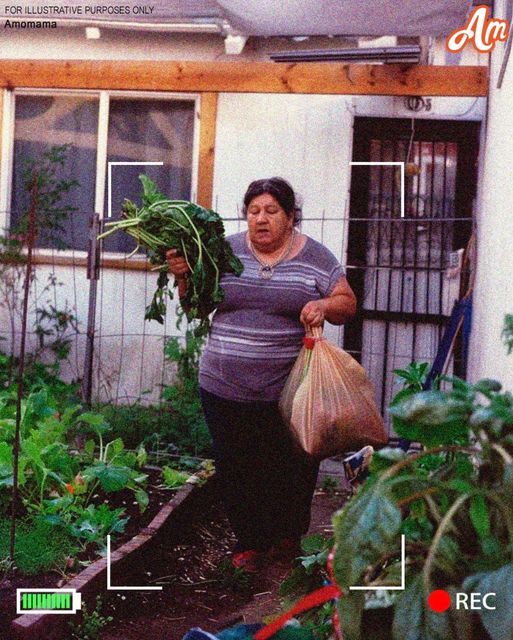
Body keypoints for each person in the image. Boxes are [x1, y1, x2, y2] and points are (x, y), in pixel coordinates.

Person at [166, 177, 357, 572]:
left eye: (271, 211)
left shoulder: (314, 257)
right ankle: (249, 543)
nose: (261, 219)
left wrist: (322, 304)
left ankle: (287, 539)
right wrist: (184, 277)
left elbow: (347, 303)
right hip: (223, 385)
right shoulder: (224, 251)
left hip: (289, 391)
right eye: (254, 211)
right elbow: (197, 308)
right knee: (237, 466)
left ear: (290, 217)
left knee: (292, 465)